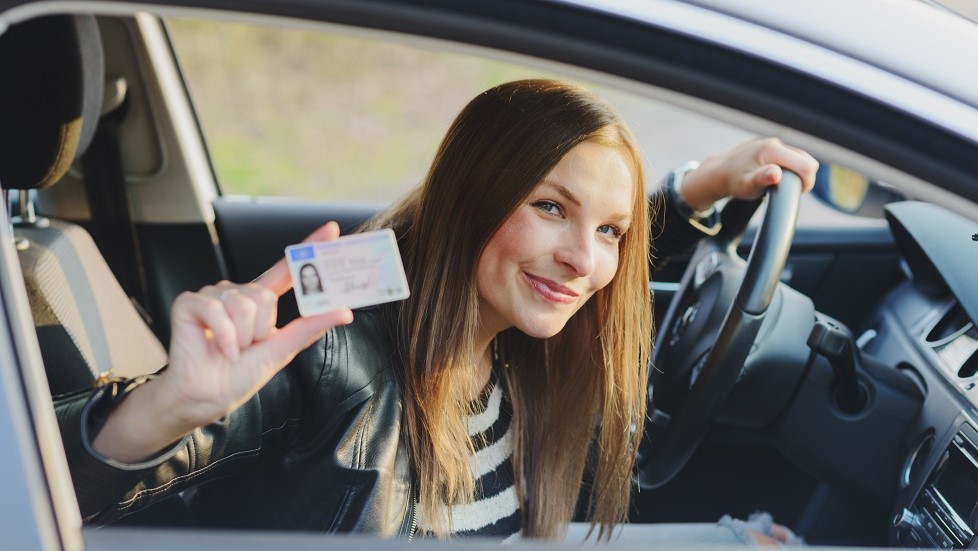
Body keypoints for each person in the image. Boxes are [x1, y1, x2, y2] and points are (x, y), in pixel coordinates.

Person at [55, 80, 817, 544]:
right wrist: (168, 405)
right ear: (471, 197)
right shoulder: (334, 348)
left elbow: (589, 255)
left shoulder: (520, 337)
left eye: (611, 231)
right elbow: (45, 490)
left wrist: (698, 188)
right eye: (551, 207)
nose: (586, 261)